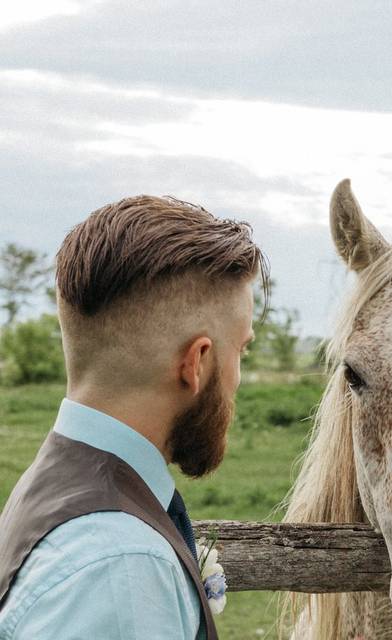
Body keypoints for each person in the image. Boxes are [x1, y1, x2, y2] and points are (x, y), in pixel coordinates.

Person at [0, 195, 267, 639]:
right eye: (239, 350)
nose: (237, 377)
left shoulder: (59, 486)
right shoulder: (122, 566)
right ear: (197, 362)